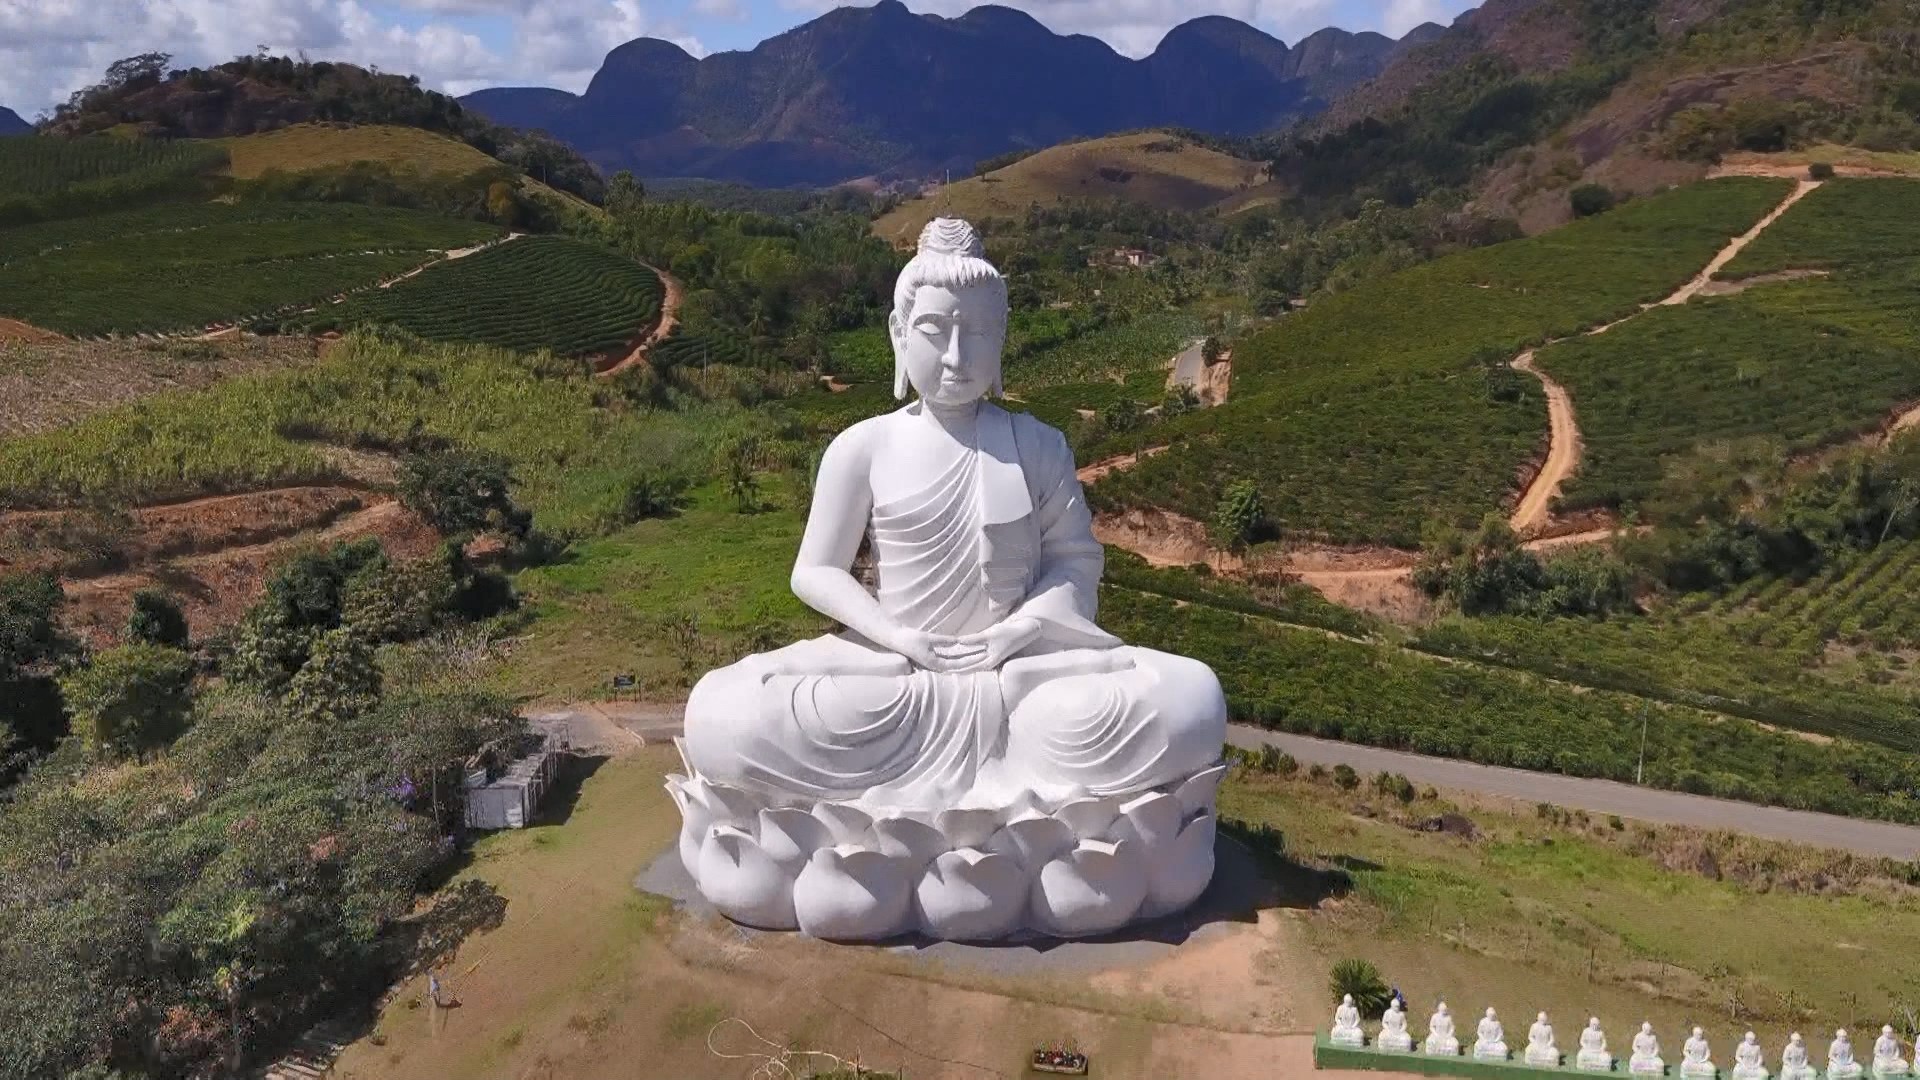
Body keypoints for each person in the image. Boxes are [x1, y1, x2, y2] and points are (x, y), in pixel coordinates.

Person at [682, 217, 1225, 809]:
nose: (956, 357)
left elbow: (1076, 564)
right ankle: (1037, 807)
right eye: (935, 331)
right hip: (900, 680)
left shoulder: (1040, 444)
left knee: (1192, 694)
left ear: (1003, 339)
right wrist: (897, 636)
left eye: (980, 334)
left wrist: (1021, 631)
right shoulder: (862, 446)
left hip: (1019, 682)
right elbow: (814, 571)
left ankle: (933, 797)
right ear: (898, 333)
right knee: (723, 713)